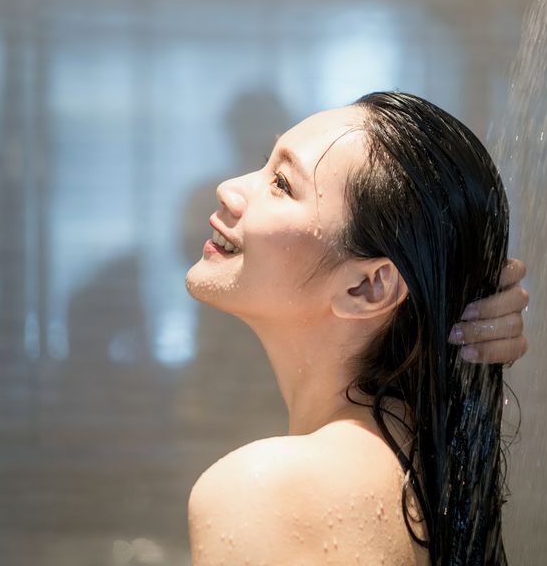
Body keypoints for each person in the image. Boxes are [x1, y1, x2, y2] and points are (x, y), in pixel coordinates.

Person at [185, 91, 527, 565]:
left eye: (281, 183)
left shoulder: (267, 493)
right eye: (266, 165)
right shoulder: (429, 475)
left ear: (368, 288)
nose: (229, 187)